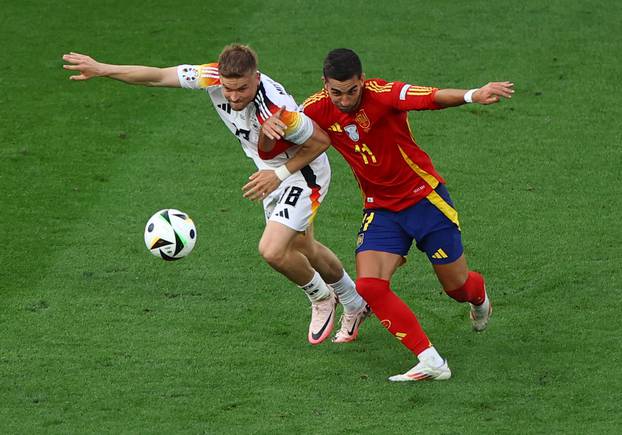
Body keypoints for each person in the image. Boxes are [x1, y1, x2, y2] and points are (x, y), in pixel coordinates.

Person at [62, 45, 370, 345]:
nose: (234, 97)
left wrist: (277, 176)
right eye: (228, 89)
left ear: (256, 77)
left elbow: (319, 142)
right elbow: (156, 76)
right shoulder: (211, 76)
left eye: (242, 89)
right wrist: (103, 69)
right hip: (271, 172)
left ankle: (320, 297)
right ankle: (354, 302)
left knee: (273, 251)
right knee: (305, 247)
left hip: (301, 174)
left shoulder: (278, 110)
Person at [260, 48, 513, 381]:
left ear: (361, 81)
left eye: (352, 90)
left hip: (424, 201)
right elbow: (272, 148)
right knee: (369, 285)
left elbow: (432, 98)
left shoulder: (383, 94)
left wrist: (472, 95)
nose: (345, 99)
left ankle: (479, 298)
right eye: (336, 92)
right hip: (380, 208)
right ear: (325, 85)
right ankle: (431, 360)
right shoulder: (314, 109)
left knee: (457, 287)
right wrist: (268, 129)